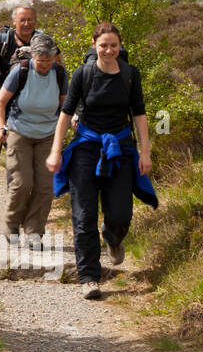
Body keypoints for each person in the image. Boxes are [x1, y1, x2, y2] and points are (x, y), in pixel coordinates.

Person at [45, 22, 156, 300]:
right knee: (83, 217)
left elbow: (139, 114)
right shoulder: (83, 74)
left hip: (119, 147)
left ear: (120, 46)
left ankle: (113, 237)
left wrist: (145, 152)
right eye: (103, 45)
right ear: (94, 45)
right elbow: (65, 113)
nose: (108, 50)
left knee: (120, 213)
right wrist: (56, 151)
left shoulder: (131, 74)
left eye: (114, 46)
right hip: (86, 147)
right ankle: (89, 277)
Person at [0, 33, 67, 250]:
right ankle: (12, 225)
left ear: (54, 58)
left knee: (45, 186)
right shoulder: (21, 71)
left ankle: (35, 231)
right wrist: (0, 128)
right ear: (33, 55)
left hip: (48, 134)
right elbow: (0, 102)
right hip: (19, 132)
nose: (44, 65)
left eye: (48, 61)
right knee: (22, 183)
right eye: (40, 60)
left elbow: (65, 106)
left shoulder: (60, 74)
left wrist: (72, 120)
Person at [0, 5, 39, 93]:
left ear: (35, 21)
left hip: (37, 95)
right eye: (22, 20)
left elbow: (58, 69)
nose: (27, 24)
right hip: (7, 97)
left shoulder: (44, 42)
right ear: (14, 21)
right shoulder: (2, 42)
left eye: (30, 19)